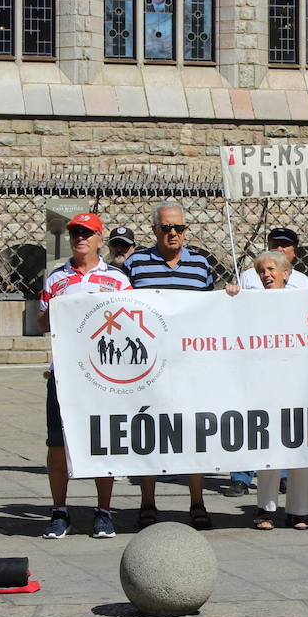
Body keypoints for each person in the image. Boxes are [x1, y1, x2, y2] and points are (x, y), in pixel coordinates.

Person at [123, 200, 216, 530]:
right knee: (147, 431)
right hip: (148, 363)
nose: (173, 233)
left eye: (179, 228)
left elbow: (210, 308)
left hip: (189, 362)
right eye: (166, 228)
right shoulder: (135, 264)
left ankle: (197, 501)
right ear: (154, 230)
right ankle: (148, 501)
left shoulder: (201, 265)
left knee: (192, 431)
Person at [39, 213, 131, 539]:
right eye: (76, 233)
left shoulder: (118, 279)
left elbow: (131, 321)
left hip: (103, 373)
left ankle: (104, 511)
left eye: (87, 233)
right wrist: (59, 309)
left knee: (103, 442)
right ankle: (59, 511)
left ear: (99, 239)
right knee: (57, 444)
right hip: (64, 372)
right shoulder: (55, 279)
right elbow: (42, 323)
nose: (80, 238)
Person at [225, 251, 308, 530]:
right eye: (261, 272)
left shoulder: (303, 298)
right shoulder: (252, 301)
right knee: (267, 443)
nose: (266, 275)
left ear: (286, 274)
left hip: (298, 381)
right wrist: (232, 294)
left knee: (300, 445)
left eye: (271, 269)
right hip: (265, 381)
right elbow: (232, 317)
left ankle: (300, 510)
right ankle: (266, 508)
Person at [239, 227, 308, 289]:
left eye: (284, 245)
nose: (279, 249)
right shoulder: (249, 277)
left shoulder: (303, 282)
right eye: (275, 245)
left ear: (294, 251)